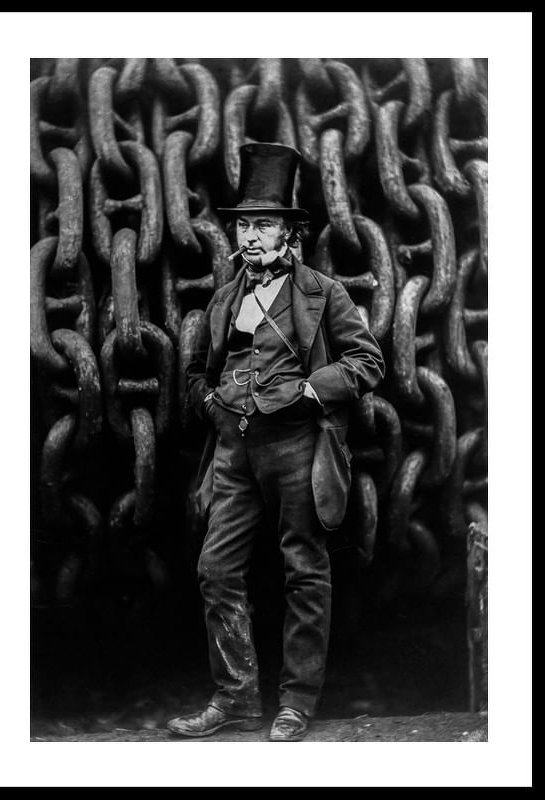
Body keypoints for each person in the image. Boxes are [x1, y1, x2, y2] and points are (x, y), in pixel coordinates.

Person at [166, 143, 385, 741]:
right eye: (244, 225)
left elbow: (368, 361)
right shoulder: (223, 301)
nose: (252, 236)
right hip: (234, 450)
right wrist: (210, 404)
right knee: (215, 568)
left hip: (296, 447)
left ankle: (296, 703)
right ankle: (236, 697)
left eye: (264, 225)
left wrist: (311, 391)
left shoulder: (323, 293)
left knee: (304, 570)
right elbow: (198, 372)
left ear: (290, 233)